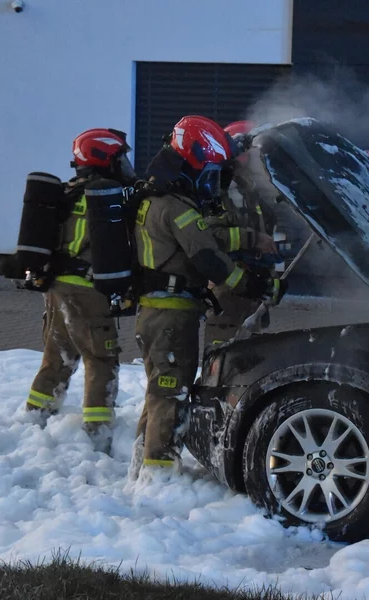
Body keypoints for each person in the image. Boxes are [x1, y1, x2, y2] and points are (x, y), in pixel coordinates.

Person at [128, 115, 287, 481]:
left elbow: (207, 245)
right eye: (209, 171)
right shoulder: (177, 207)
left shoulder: (162, 199)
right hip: (170, 315)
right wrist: (257, 287)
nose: (212, 180)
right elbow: (210, 259)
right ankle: (158, 479)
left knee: (160, 392)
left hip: (162, 311)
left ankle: (142, 466)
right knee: (170, 393)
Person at [25, 128, 138, 455]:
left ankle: (35, 417)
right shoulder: (103, 198)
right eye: (120, 158)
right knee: (101, 359)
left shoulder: (67, 192)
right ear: (104, 159)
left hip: (57, 288)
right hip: (88, 290)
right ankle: (98, 435)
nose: (125, 165)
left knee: (58, 356)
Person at [202, 120, 282, 347]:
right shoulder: (218, 190)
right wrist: (254, 239)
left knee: (249, 359)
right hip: (228, 290)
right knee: (222, 357)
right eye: (255, 153)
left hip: (251, 288)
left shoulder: (248, 189)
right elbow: (211, 236)